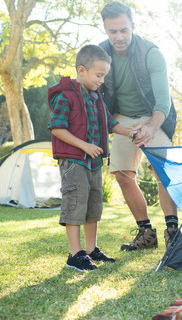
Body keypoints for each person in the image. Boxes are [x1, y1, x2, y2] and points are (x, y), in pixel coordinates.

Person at [98, 1, 180, 251]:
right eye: (113, 31)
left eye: (124, 30)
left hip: (152, 116)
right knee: (121, 174)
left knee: (163, 172)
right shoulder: (99, 54)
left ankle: (173, 233)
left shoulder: (150, 52)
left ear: (133, 25)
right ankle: (146, 234)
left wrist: (152, 128)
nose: (119, 37)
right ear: (105, 29)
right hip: (121, 118)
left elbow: (163, 101)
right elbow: (97, 101)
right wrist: (117, 127)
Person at [48, 44, 132, 271]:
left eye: (104, 76)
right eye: (99, 75)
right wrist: (85, 146)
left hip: (93, 163)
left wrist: (131, 132)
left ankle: (91, 249)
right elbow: (57, 128)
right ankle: (75, 255)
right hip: (74, 162)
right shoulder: (65, 97)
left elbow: (110, 123)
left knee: (93, 206)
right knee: (76, 204)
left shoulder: (96, 98)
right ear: (82, 70)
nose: (102, 80)